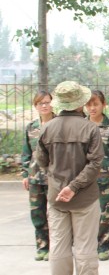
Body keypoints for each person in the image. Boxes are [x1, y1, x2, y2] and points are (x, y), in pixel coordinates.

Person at [36, 81, 108, 275]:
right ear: (80, 103)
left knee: (59, 244)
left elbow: (42, 160)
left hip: (56, 196)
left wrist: (60, 183)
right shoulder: (90, 128)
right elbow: (95, 164)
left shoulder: (47, 128)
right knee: (85, 244)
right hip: (84, 196)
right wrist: (74, 186)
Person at [21, 90, 55, 261]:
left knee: (55, 214)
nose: (44, 106)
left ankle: (56, 247)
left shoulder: (58, 124)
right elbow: (26, 153)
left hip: (54, 177)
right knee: (37, 213)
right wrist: (25, 174)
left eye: (47, 102)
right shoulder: (31, 127)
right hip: (35, 177)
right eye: (41, 103)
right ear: (35, 106)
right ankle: (42, 247)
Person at [85, 90, 109, 261]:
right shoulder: (81, 125)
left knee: (106, 213)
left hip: (105, 176)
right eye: (89, 104)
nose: (92, 108)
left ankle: (104, 246)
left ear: (103, 105)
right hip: (84, 179)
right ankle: (89, 245)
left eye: (96, 104)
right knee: (86, 213)